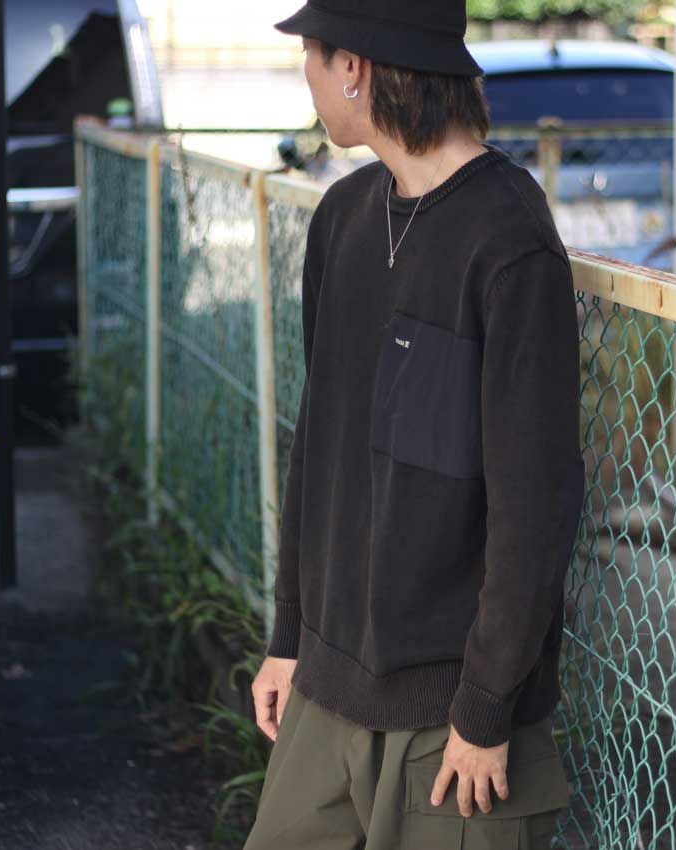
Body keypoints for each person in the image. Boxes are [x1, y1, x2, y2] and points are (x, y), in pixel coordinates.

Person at [245, 1, 585, 848]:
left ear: (353, 68)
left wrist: (484, 706)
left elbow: (535, 505)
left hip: (452, 730)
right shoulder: (343, 218)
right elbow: (319, 449)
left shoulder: (509, 242)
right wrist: (289, 635)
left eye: (312, 55)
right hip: (325, 688)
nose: (308, 77)